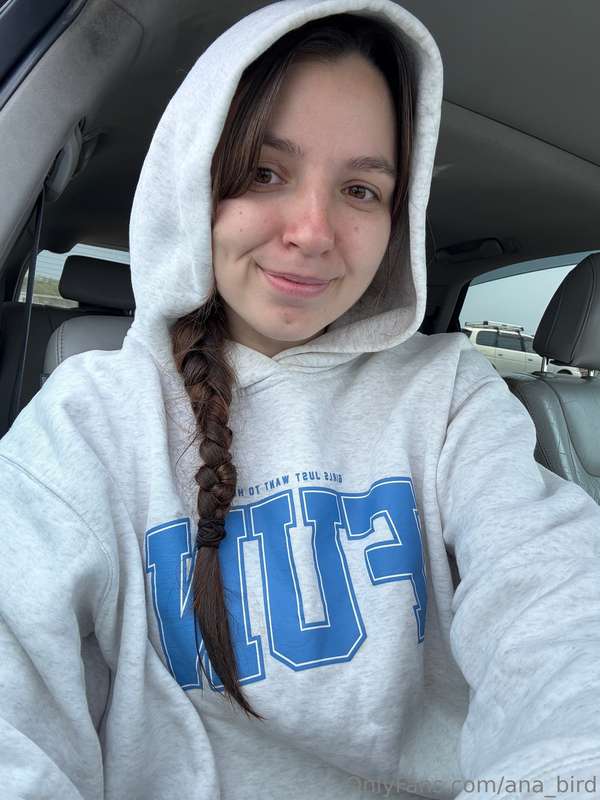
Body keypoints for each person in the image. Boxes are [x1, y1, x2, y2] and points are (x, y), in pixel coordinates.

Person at [1, 0, 599, 798]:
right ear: (197, 180)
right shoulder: (89, 418)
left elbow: (558, 604)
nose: (314, 231)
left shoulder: (450, 395)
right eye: (265, 173)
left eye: (360, 189)